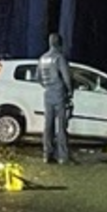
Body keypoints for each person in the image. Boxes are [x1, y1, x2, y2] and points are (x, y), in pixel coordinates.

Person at [38, 33, 74, 165]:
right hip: (59, 93)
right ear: (59, 43)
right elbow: (66, 77)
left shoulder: (42, 59)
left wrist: (48, 86)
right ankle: (63, 156)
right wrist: (69, 90)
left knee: (48, 125)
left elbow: (39, 78)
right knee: (61, 125)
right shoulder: (59, 58)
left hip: (48, 94)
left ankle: (47, 154)